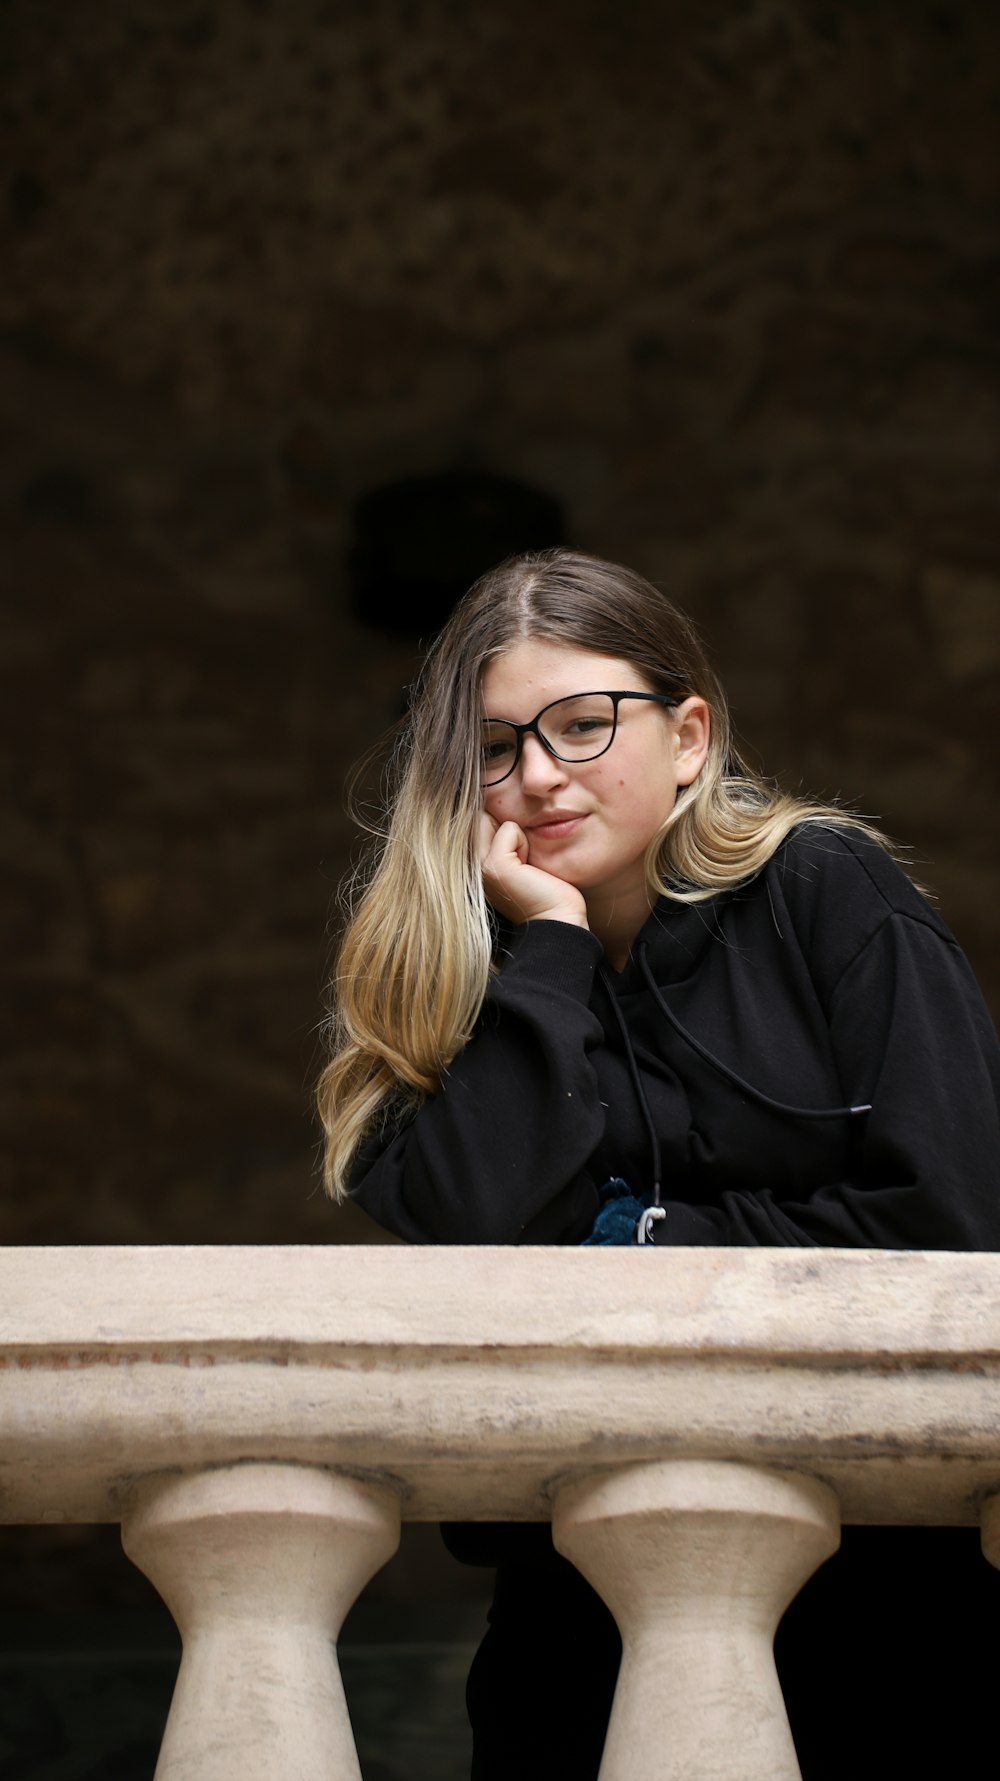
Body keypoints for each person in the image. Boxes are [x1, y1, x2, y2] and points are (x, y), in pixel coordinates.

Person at [318, 548, 1000, 1779]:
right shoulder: (451, 986)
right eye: (491, 746)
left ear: (689, 735)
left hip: (886, 1584)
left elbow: (953, 1218)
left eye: (583, 725)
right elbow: (474, 1229)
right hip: (569, 1603)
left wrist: (634, 1242)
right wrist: (553, 952)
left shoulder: (825, 895)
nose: (535, 775)